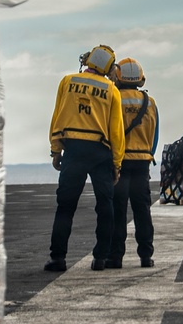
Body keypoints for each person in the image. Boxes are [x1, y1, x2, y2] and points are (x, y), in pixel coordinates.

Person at [45, 45, 125, 272]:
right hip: (100, 152)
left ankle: (57, 258)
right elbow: (116, 132)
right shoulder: (111, 90)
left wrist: (55, 149)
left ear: (88, 61)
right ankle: (100, 258)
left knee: (65, 207)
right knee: (105, 206)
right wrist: (117, 164)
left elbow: (57, 116)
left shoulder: (67, 81)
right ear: (108, 67)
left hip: (73, 151)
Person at [106, 58, 159, 269]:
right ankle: (146, 256)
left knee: (117, 211)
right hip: (142, 162)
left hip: (120, 162)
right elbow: (155, 135)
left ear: (117, 77)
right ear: (140, 79)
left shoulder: (114, 98)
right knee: (142, 211)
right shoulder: (150, 102)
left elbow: (111, 131)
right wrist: (147, 153)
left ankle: (115, 257)